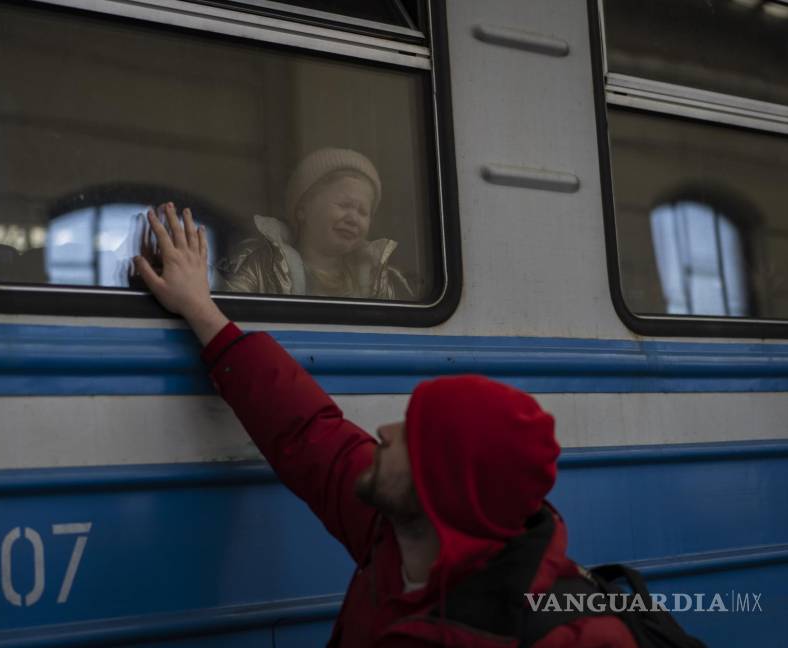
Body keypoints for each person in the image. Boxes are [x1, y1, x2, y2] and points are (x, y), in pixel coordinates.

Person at [132, 204, 639, 647]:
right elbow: (306, 429)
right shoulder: (397, 535)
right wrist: (201, 308)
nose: (384, 433)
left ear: (443, 485)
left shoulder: (571, 636)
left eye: (413, 435)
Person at [217, 148, 415, 300]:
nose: (353, 218)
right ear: (303, 209)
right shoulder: (263, 266)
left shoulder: (377, 278)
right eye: (344, 205)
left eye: (363, 212)